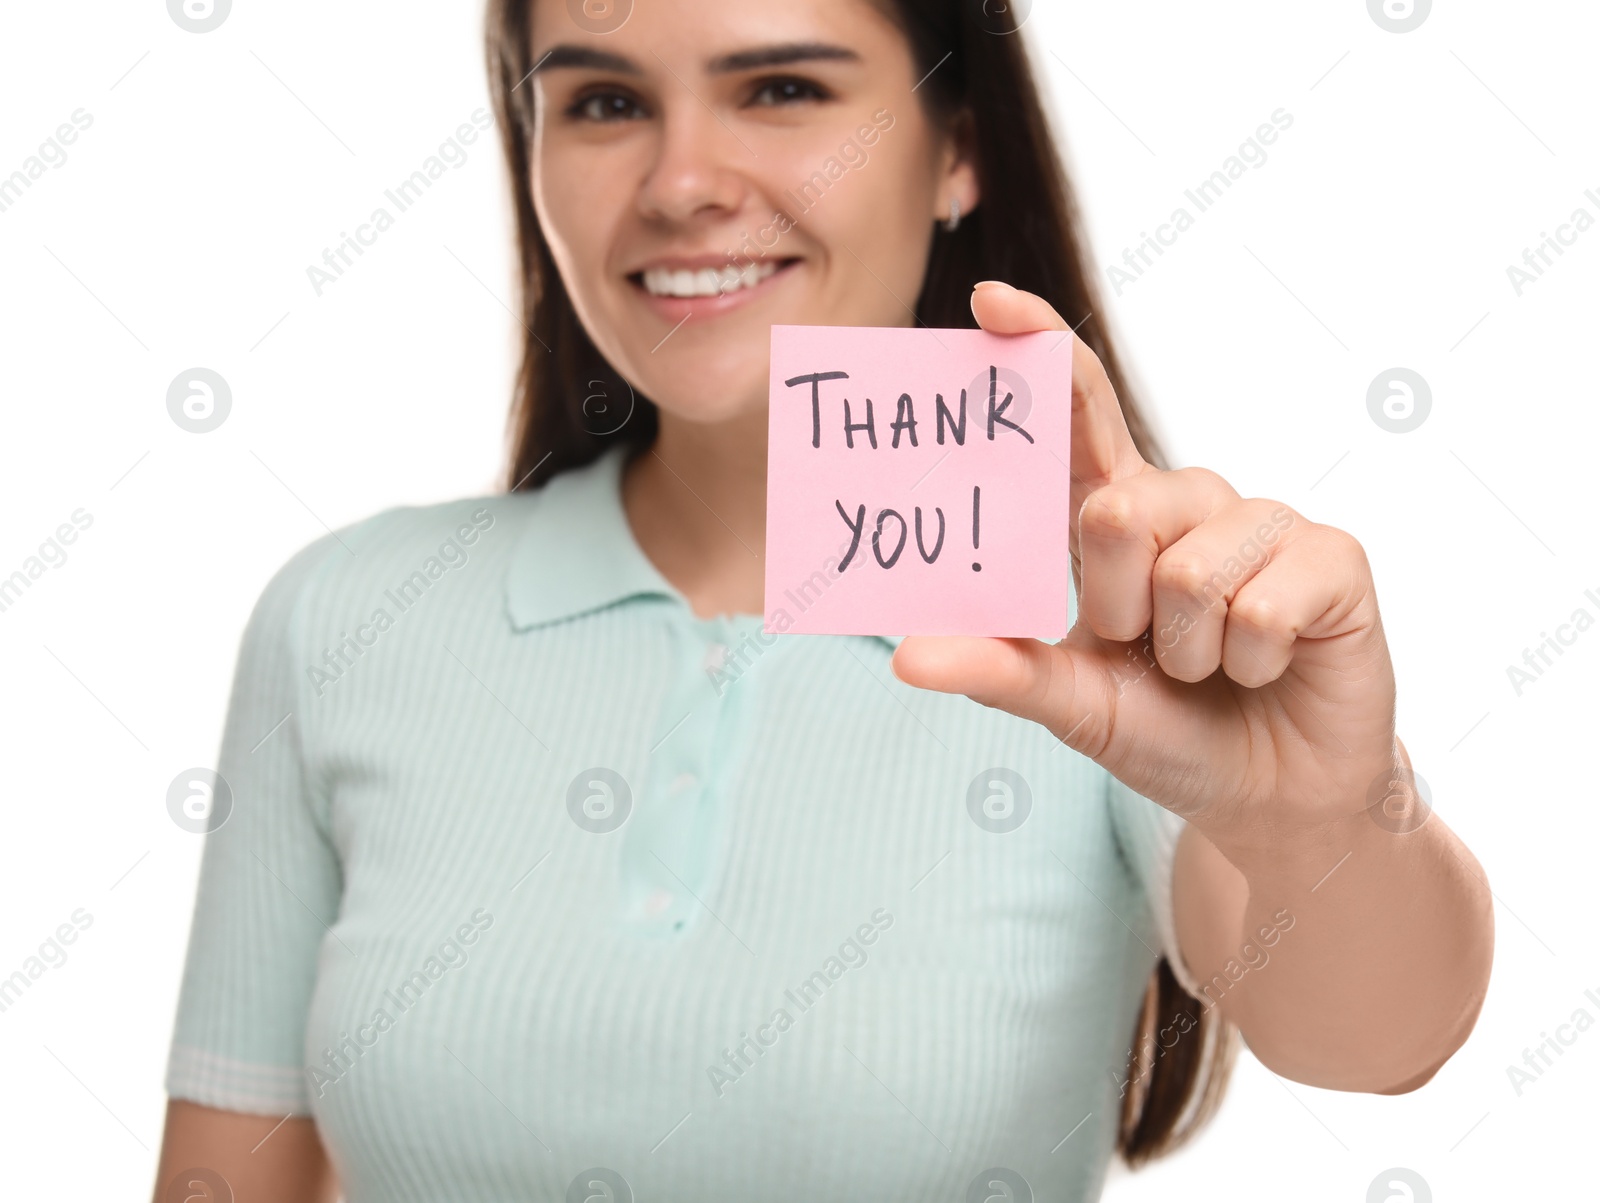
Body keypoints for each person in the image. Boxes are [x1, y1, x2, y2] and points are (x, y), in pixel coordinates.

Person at [151, 1, 1494, 1199]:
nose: (680, 182)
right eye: (606, 102)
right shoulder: (348, 621)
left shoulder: (1111, 633)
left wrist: (1322, 815)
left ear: (958, 145)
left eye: (782, 88)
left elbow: (1379, 1038)